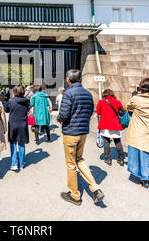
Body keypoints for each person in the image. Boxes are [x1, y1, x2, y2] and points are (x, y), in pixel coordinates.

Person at [57, 69, 105, 206]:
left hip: (71, 133)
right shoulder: (88, 93)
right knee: (80, 159)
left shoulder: (68, 93)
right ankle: (95, 188)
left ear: (68, 79)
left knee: (71, 164)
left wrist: (59, 119)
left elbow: (64, 114)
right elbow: (90, 112)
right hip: (83, 132)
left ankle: (75, 195)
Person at [96, 89, 124, 166]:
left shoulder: (101, 102)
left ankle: (108, 159)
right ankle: (121, 159)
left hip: (105, 125)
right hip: (115, 124)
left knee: (106, 142)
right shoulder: (117, 102)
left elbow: (98, 112)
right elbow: (121, 111)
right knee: (118, 142)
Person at [5, 85, 30, 171]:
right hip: (23, 123)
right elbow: (28, 110)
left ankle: (14, 163)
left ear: (14, 92)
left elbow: (6, 110)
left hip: (13, 124)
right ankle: (22, 164)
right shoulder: (27, 101)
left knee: (13, 142)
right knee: (21, 143)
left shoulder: (11, 101)